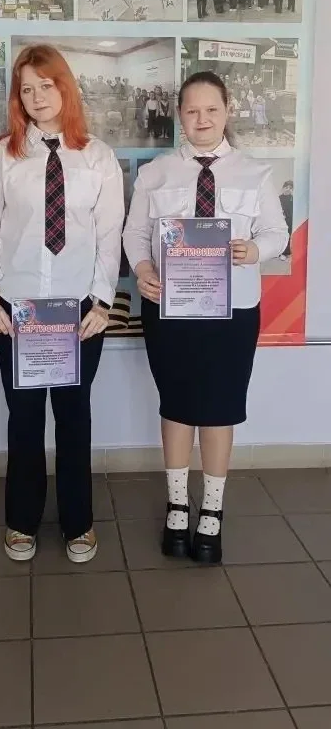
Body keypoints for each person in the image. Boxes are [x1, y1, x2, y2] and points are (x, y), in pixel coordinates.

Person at [0, 44, 124, 563]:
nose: (36, 97)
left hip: (79, 311)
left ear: (65, 87)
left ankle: (79, 523)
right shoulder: (4, 156)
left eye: (45, 85)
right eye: (26, 89)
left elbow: (109, 237)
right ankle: (22, 521)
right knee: (25, 418)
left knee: (75, 417)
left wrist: (101, 304)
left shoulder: (98, 157)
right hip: (18, 311)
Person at [123, 71, 288, 564]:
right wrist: (143, 269)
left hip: (233, 312)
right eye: (192, 110)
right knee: (176, 404)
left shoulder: (256, 173)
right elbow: (134, 234)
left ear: (227, 110)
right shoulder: (155, 173)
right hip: (170, 309)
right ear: (180, 115)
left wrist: (253, 250)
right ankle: (177, 507)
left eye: (211, 109)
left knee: (220, 407)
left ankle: (212, 512)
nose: (202, 119)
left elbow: (277, 233)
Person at [279, 181, 293, 259]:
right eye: (286, 187)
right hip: (280, 221)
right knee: (280, 236)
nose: (288, 189)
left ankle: (285, 253)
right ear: (283, 188)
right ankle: (279, 251)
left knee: (288, 237)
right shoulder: (279, 198)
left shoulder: (292, 199)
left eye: (290, 188)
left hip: (289, 221)